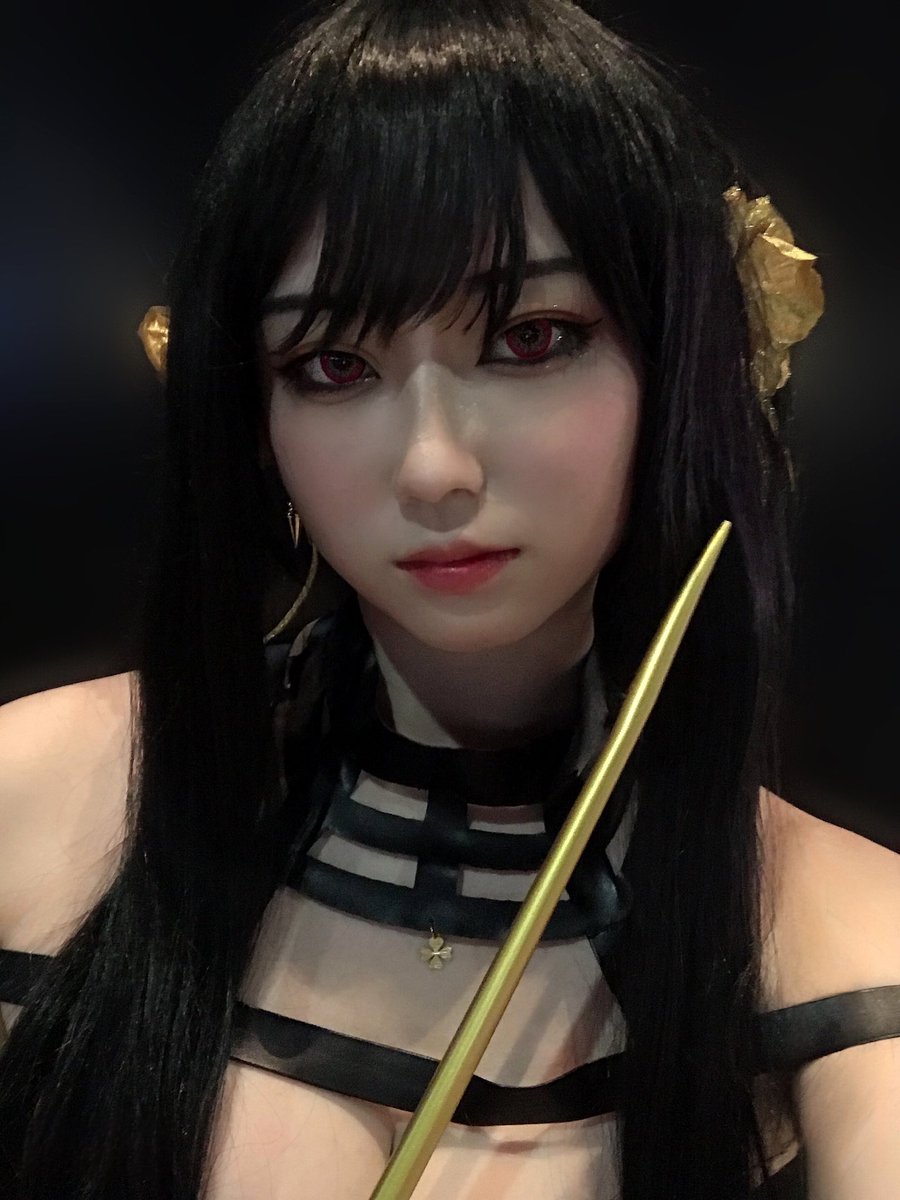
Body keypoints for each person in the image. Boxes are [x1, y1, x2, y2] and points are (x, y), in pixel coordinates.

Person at [1, 2, 898, 1197]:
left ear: (686, 366)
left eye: (532, 337)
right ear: (254, 420)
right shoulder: (28, 805)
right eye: (333, 364)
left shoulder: (856, 956)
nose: (433, 468)